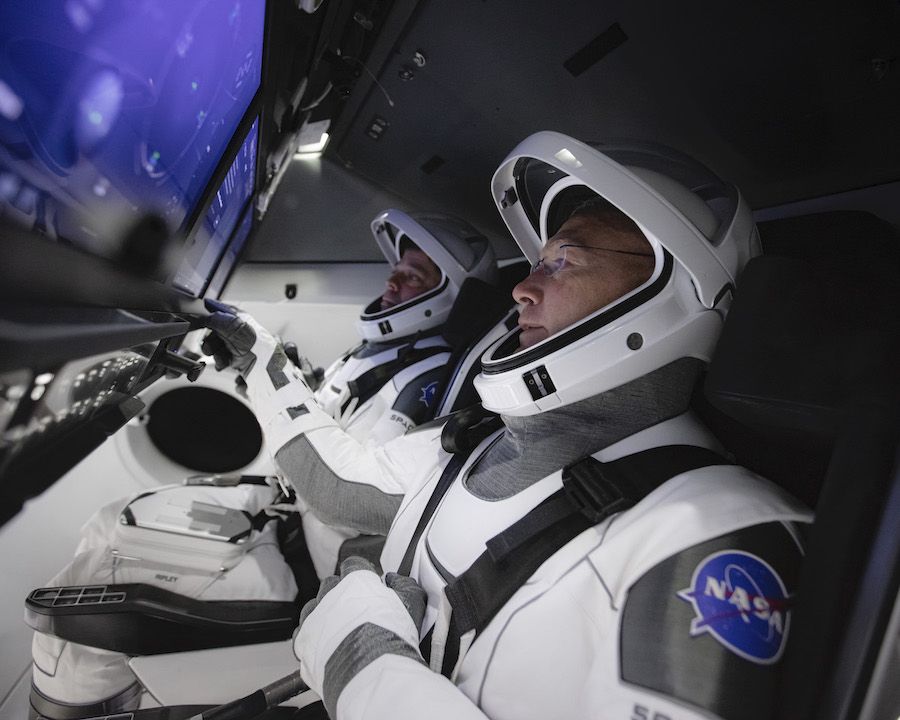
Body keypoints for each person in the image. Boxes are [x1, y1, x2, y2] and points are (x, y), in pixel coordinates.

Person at [237, 133, 811, 719]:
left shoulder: (719, 536)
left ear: (669, 291)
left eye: (564, 261)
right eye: (539, 262)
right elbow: (344, 490)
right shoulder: (478, 436)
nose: (522, 288)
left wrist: (363, 665)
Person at [28, 209, 506, 719]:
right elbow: (329, 427)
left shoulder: (430, 379)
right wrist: (256, 371)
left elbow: (342, 492)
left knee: (95, 571)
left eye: (415, 275)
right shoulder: (386, 353)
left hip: (310, 561)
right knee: (108, 520)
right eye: (398, 267)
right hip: (282, 516)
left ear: (453, 294)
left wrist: (266, 363)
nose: (394, 280)